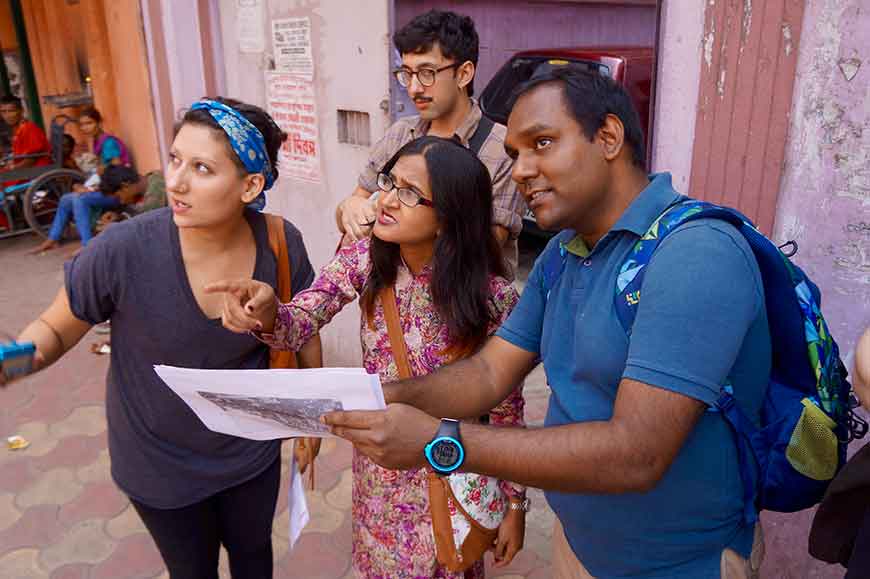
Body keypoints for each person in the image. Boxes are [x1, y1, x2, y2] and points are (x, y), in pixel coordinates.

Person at [323, 67, 771, 578]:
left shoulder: (695, 253)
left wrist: (437, 441)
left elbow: (636, 453)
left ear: (608, 137)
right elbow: (489, 375)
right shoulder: (564, 254)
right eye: (514, 155)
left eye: (542, 143)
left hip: (675, 563)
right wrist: (386, 395)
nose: (519, 171)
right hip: (579, 542)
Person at [1, 96, 321, 579]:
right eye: (174, 159)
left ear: (250, 184)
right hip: (158, 464)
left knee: (254, 557)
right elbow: (53, 328)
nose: (175, 181)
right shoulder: (122, 251)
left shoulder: (279, 243)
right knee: (191, 571)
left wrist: (310, 421)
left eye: (201, 167)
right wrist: (15, 361)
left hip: (249, 454)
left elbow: (304, 329)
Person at [207, 136, 527, 578]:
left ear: (449, 217)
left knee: (452, 565)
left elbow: (507, 405)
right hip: (383, 469)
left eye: (410, 193)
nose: (388, 200)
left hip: (456, 465)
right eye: (390, 183)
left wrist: (513, 502)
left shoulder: (492, 296)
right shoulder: (364, 260)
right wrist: (266, 312)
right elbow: (301, 320)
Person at [335, 9, 525, 275]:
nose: (413, 88)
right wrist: (350, 209)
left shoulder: (501, 148)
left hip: (462, 310)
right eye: (407, 74)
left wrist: (390, 221)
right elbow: (353, 206)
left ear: (464, 74)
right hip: (390, 307)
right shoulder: (400, 134)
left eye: (426, 73)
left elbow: (484, 248)